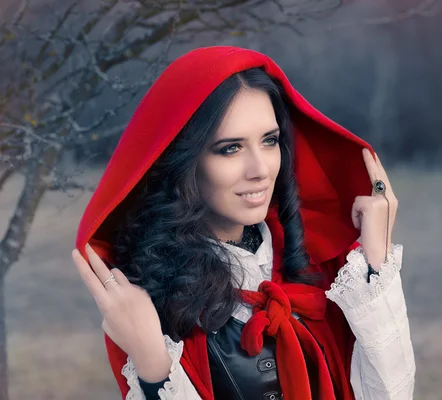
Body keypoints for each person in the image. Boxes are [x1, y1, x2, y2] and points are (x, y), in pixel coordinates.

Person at [73, 46, 415, 400]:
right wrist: (153, 366)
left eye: (270, 141)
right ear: (183, 161)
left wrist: (377, 257)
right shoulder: (149, 296)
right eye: (230, 148)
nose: (261, 170)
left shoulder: (325, 270)